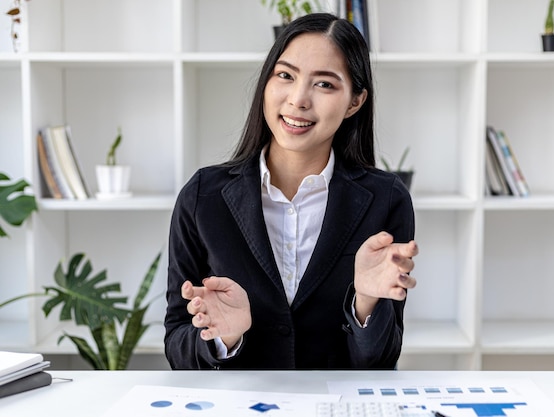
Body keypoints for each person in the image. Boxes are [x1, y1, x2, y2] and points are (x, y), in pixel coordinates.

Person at [164, 12, 418, 370]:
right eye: (285, 76)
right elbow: (177, 344)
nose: (298, 99)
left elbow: (380, 361)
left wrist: (366, 301)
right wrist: (223, 337)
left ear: (355, 102)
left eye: (325, 84)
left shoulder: (387, 200)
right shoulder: (203, 196)